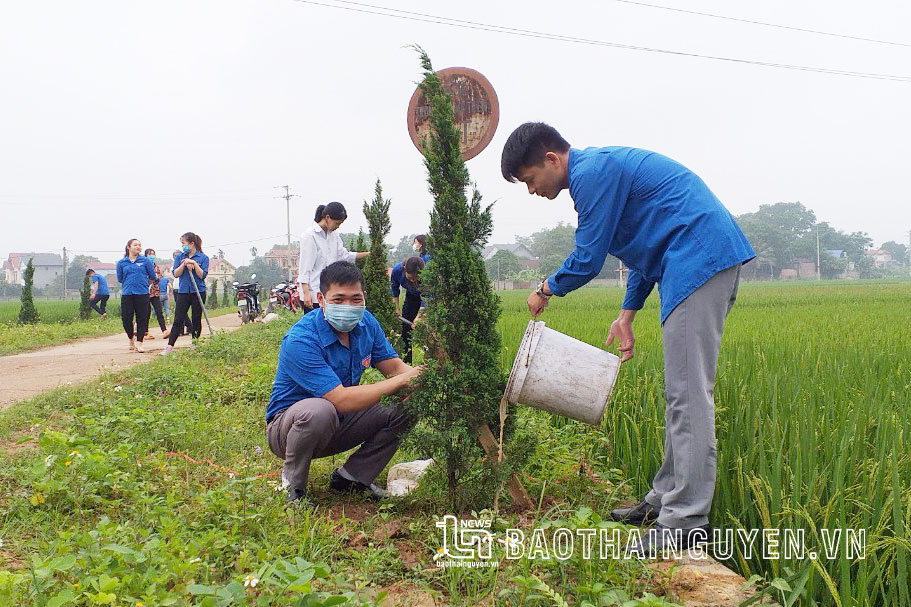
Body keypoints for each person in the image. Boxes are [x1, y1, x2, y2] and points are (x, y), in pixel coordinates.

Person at [501, 122, 755, 554]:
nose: (531, 191)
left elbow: (588, 257)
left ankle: (685, 520)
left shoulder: (591, 174)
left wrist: (545, 288)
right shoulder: (600, 172)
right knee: (680, 392)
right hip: (687, 259)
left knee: (688, 394)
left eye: (528, 180)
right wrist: (627, 313)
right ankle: (665, 500)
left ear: (551, 160)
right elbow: (642, 249)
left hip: (699, 259)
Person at [266, 261, 422, 503]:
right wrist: (402, 382)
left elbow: (395, 369)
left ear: (364, 297)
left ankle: (352, 477)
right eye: (338, 300)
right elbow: (341, 399)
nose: (348, 306)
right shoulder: (302, 339)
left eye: (355, 299)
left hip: (340, 421)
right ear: (321, 299)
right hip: (290, 428)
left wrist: (426, 379)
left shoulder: (366, 323)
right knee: (320, 410)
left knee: (408, 405)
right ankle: (293, 487)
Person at [297, 202, 369, 313]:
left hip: (331, 293)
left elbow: (344, 256)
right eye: (337, 223)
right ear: (327, 217)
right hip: (314, 294)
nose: (338, 227)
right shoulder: (310, 236)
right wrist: (306, 293)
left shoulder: (334, 235)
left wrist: (367, 254)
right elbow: (305, 268)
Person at [160, 232, 209, 355]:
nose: (183, 246)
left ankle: (195, 343)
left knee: (196, 318)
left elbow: (202, 275)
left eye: (184, 243)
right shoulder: (180, 257)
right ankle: (169, 346)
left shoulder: (203, 258)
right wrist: (184, 264)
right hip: (183, 291)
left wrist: (194, 264)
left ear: (192, 243)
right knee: (178, 319)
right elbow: (176, 274)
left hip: (198, 291)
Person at [116, 238, 156, 353]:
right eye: (135, 245)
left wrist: (143, 283)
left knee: (142, 318)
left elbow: (152, 276)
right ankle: (131, 338)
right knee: (126, 319)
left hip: (142, 293)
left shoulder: (145, 261)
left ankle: (139, 342)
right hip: (127, 293)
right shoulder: (122, 263)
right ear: (129, 247)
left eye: (139, 245)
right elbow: (120, 278)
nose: (138, 247)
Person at [390, 255, 425, 364]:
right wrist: (396, 308)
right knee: (406, 330)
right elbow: (394, 289)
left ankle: (428, 361)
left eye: (416, 279)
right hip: (411, 298)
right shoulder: (397, 270)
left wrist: (419, 317)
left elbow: (427, 298)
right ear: (404, 269)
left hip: (427, 301)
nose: (413, 281)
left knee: (424, 330)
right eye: (410, 278)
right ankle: (407, 361)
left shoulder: (428, 275)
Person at [144, 248, 167, 338]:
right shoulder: (143, 265)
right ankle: (145, 332)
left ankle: (164, 330)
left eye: (153, 254)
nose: (151, 256)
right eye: (149, 254)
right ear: (146, 256)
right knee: (146, 313)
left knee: (159, 311)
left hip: (155, 292)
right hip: (145, 292)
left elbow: (158, 278)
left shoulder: (156, 267)